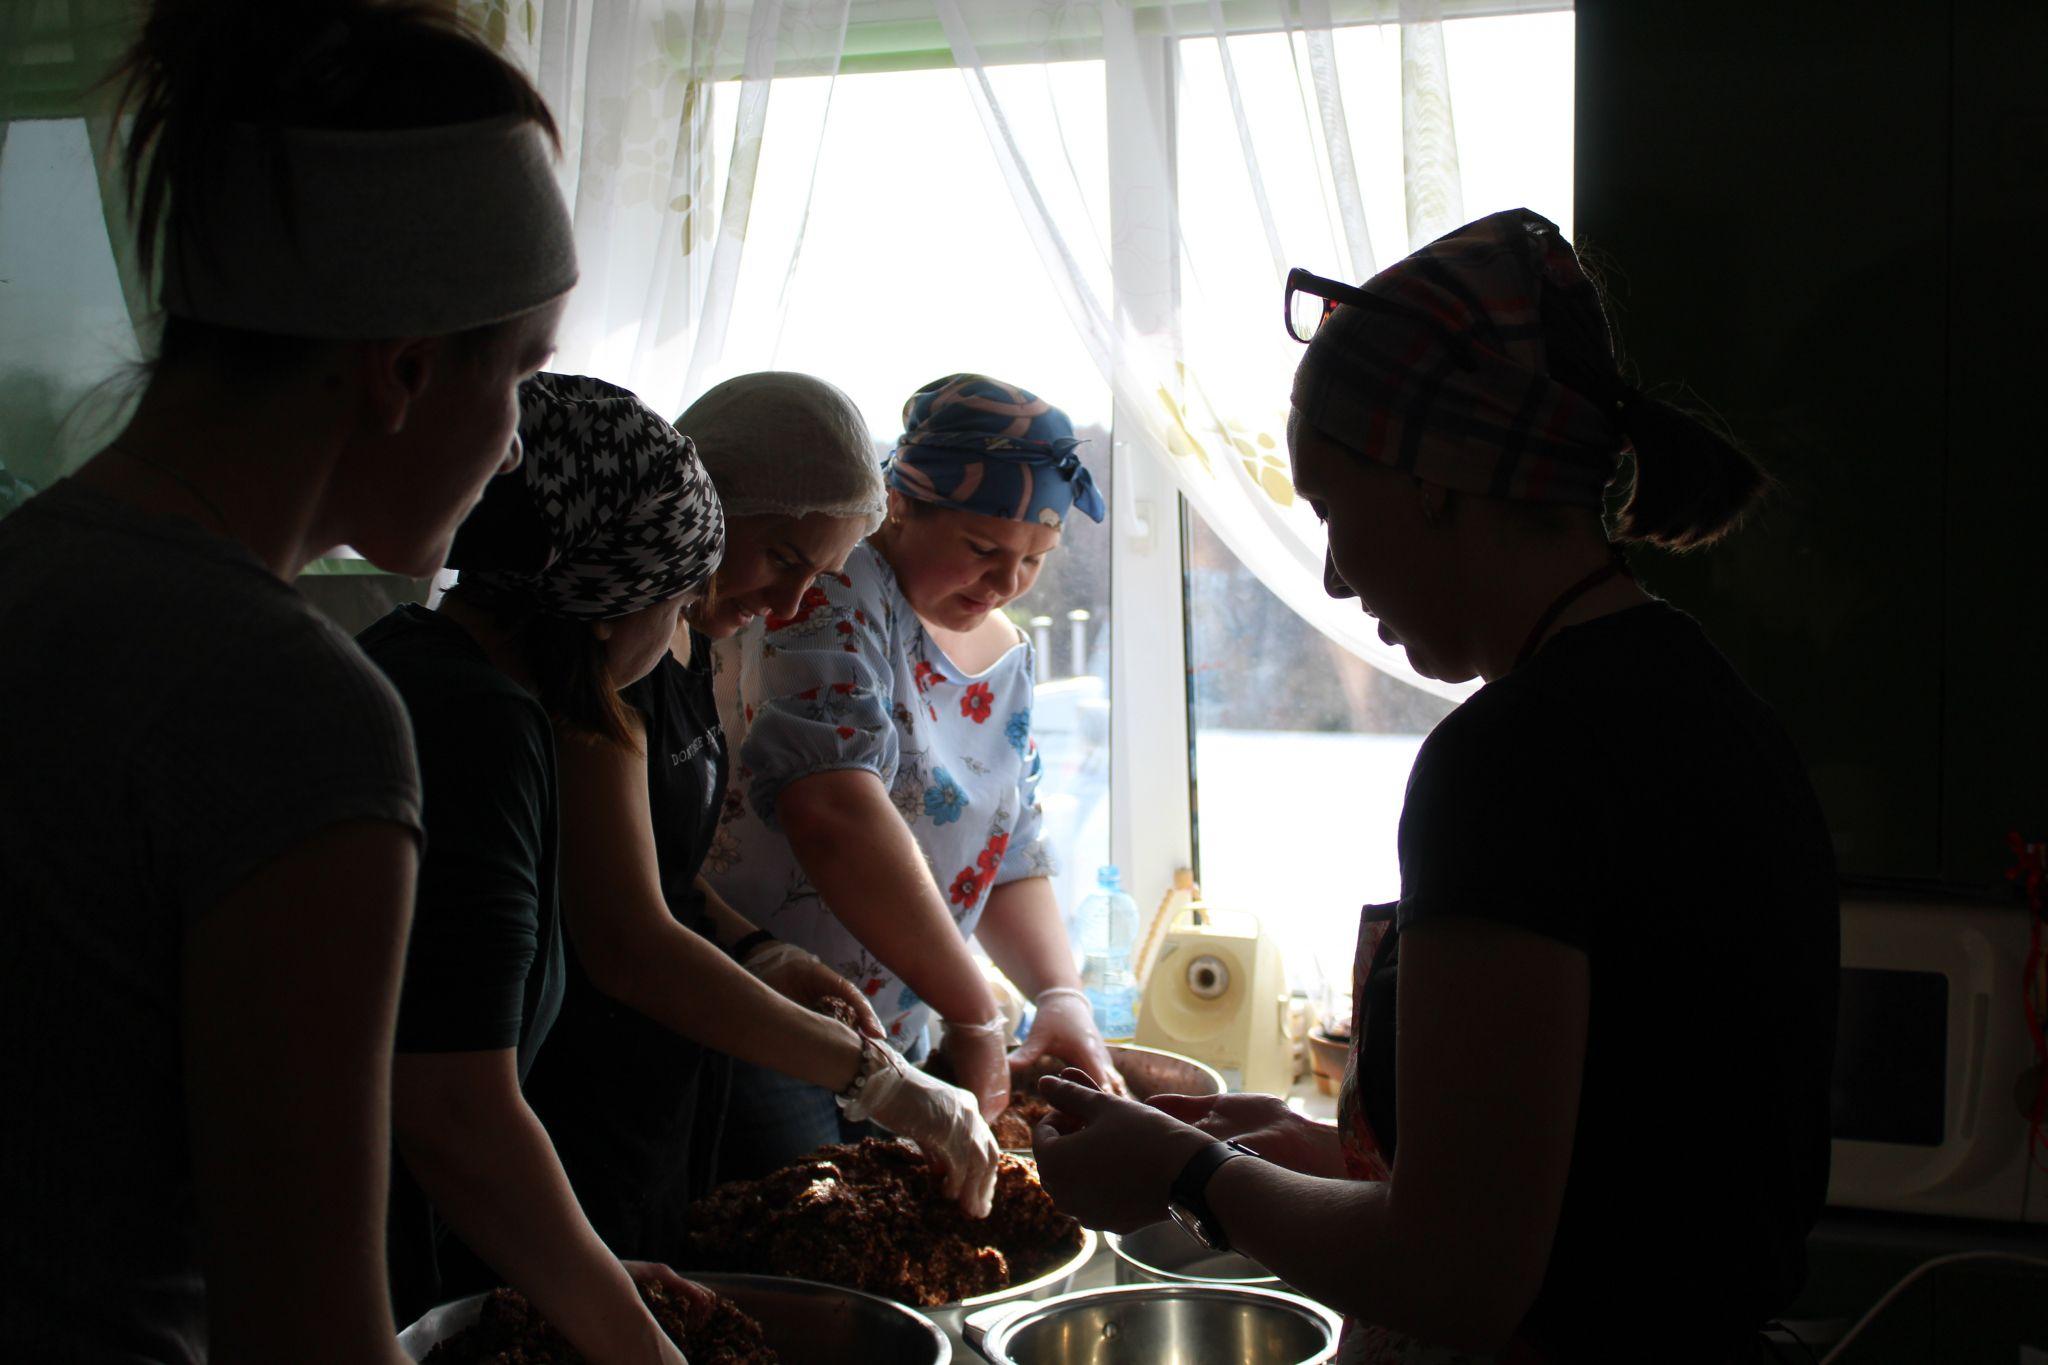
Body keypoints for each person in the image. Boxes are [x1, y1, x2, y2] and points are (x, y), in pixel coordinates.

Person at [1030, 209, 1839, 1364]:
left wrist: (1189, 1174)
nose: (1331, 569)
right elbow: (1608, 1176)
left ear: (1436, 484)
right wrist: (1311, 1151)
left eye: (1328, 510)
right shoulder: (1705, 704)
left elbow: (1453, 1276)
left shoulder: (1510, 759)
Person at [0, 3, 574, 1361]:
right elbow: (305, 1326)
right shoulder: (289, 707)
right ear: (404, 368)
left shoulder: (27, 573)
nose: (509, 449)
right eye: (523, 374)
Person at [522, 371, 1001, 1267]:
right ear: (701, 501)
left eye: (815, 578)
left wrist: (762, 951)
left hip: (657, 1096)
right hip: (569, 1092)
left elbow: (660, 870)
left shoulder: (677, 644)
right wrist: (878, 1077)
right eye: (782, 559)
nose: (785, 610)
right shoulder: (595, 659)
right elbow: (630, 938)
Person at [362, 374, 719, 1362]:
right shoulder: (483, 727)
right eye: (682, 598)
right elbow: (453, 1106)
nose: (681, 633)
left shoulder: (412, 655)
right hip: (362, 1253)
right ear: (615, 607)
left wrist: (577, 1278)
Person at [706, 372, 1125, 1179]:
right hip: (774, 1021)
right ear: (901, 505)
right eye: (982, 550)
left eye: (1035, 559)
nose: (1006, 584)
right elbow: (830, 809)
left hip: (900, 1034)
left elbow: (1007, 852)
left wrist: (1059, 994)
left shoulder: (1002, 650)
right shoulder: (833, 589)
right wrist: (974, 1011)